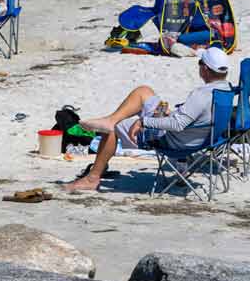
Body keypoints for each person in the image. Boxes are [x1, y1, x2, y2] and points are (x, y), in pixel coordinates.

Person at [64, 47, 234, 193]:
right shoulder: (225, 89)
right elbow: (190, 119)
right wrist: (172, 113)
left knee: (114, 128)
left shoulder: (201, 95)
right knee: (144, 92)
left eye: (200, 63)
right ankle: (110, 119)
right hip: (196, 137)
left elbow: (177, 124)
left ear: (204, 69)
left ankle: (92, 178)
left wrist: (144, 122)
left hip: (173, 140)